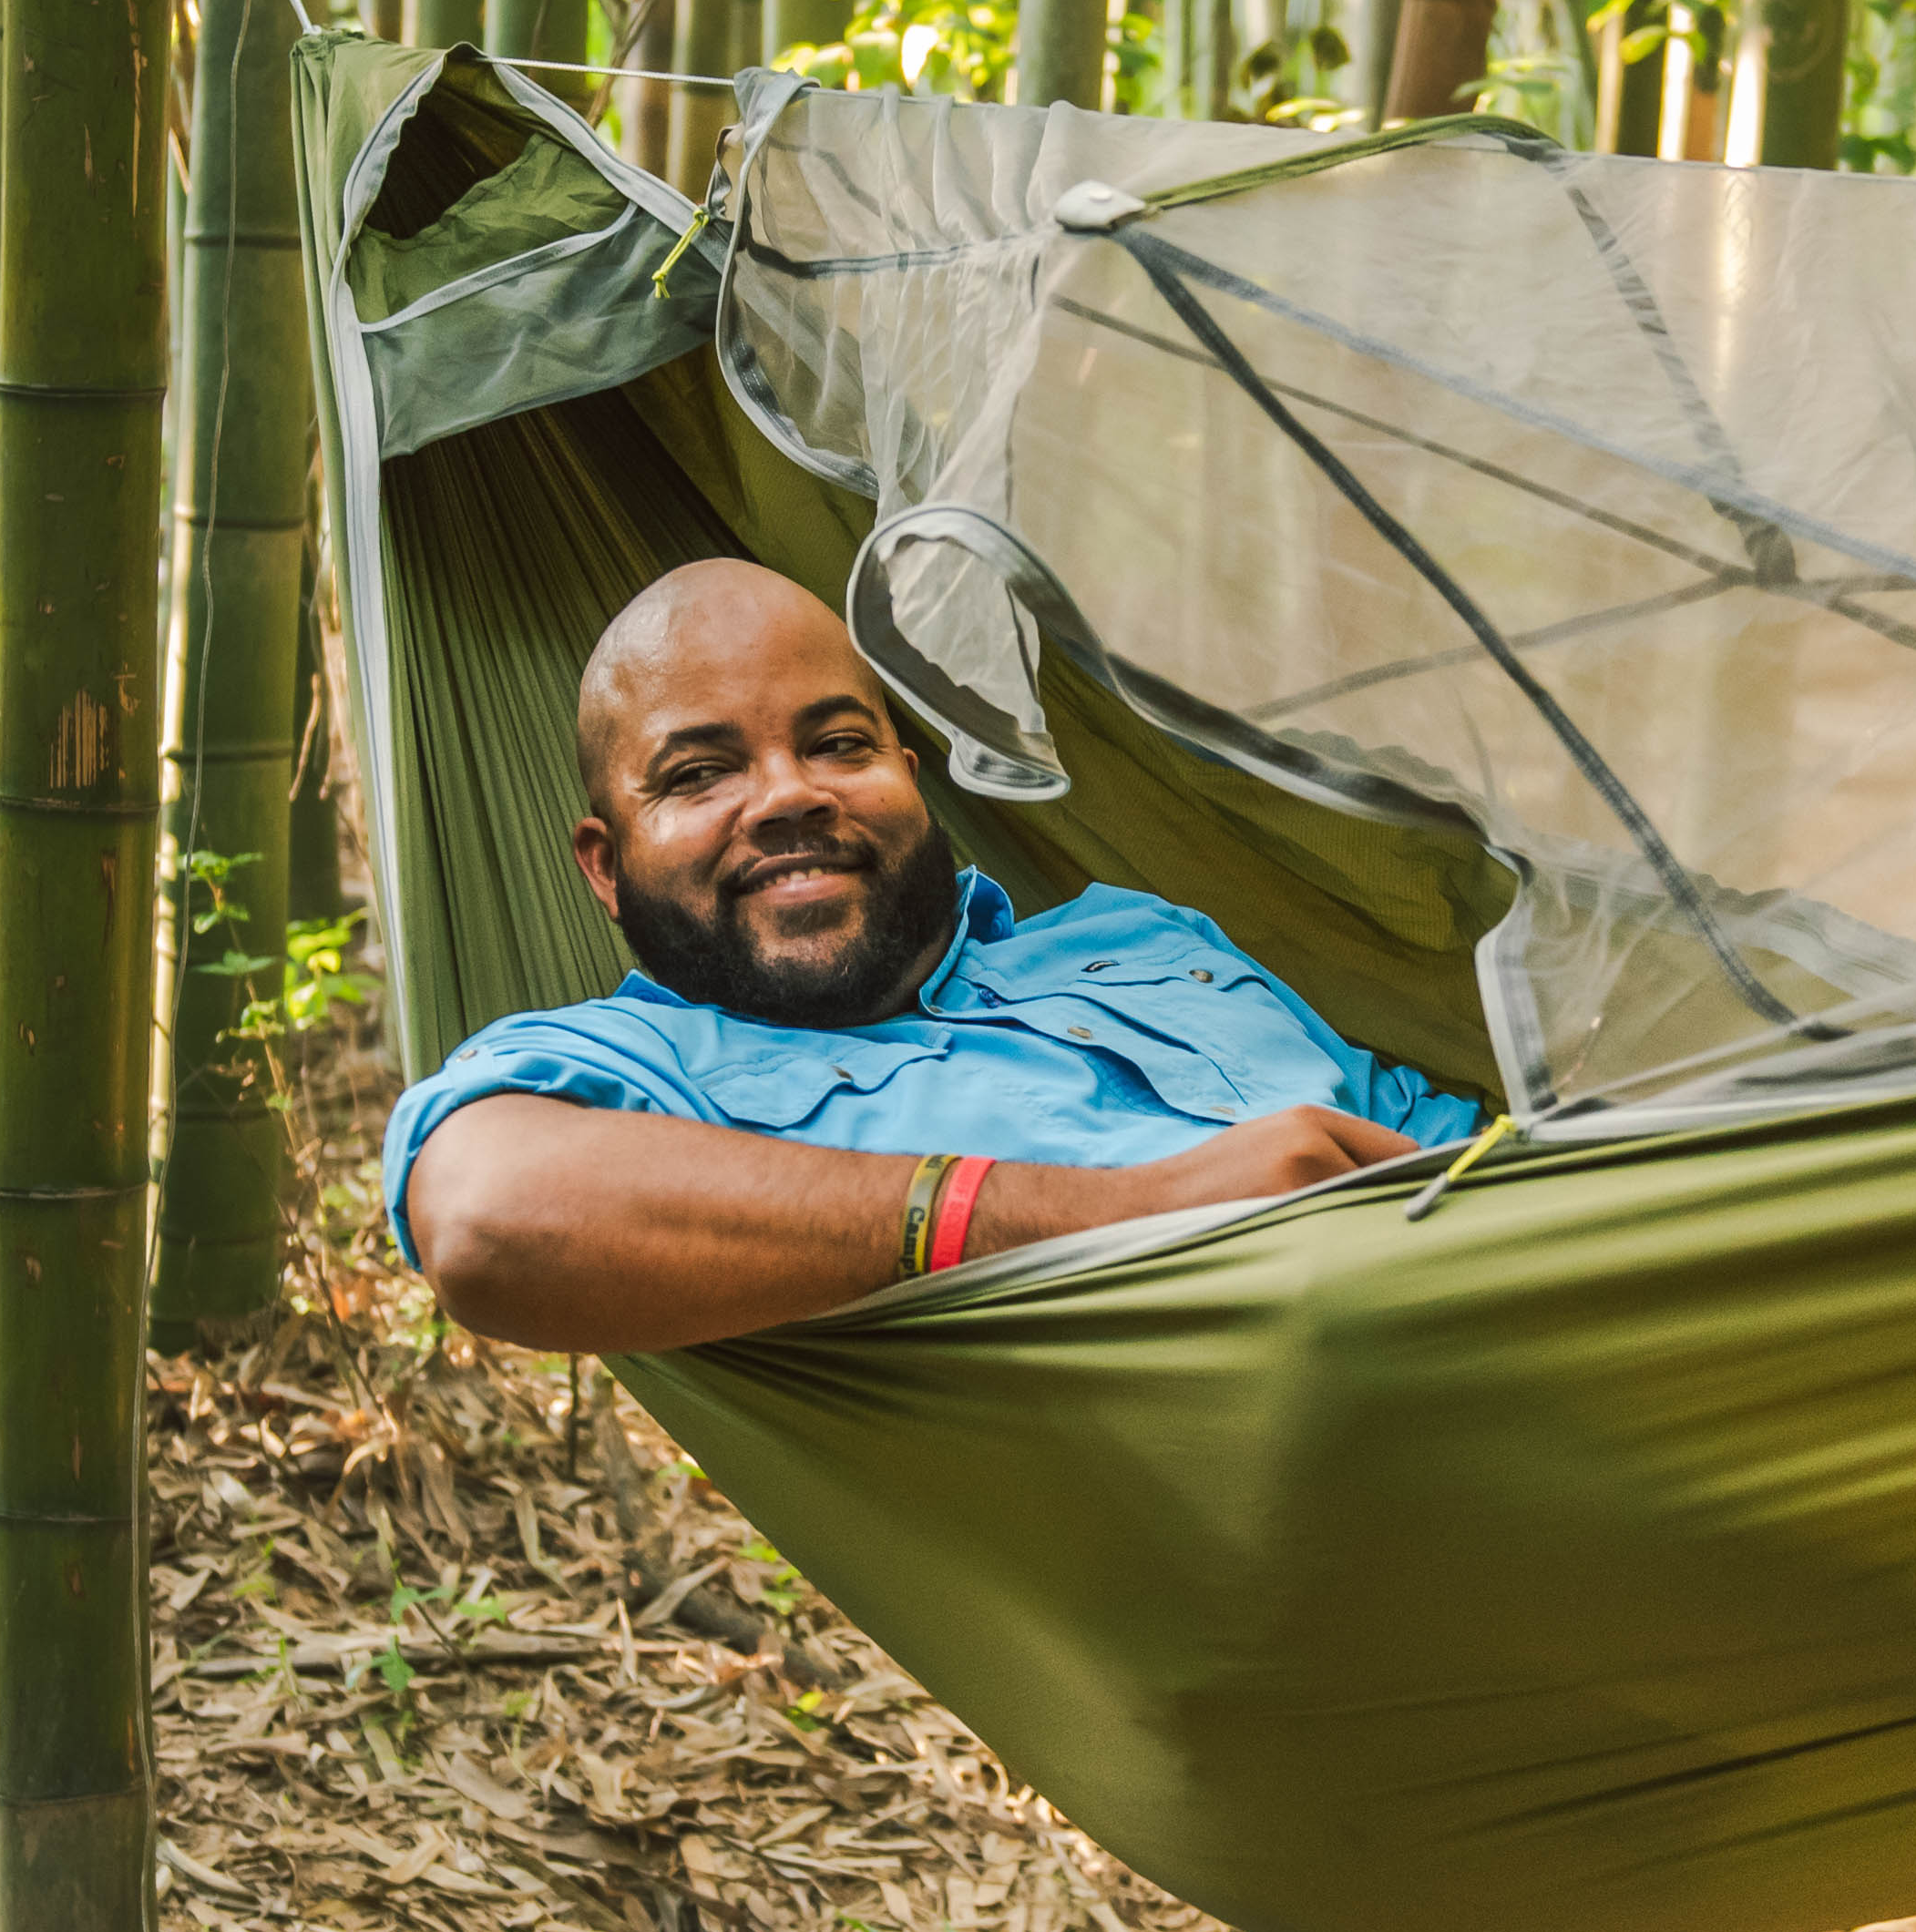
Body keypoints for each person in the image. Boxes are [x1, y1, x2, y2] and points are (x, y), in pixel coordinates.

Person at [388, 561, 1489, 1351]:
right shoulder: (644, 1067)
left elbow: (1467, 1149)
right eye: (697, 773)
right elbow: (491, 1216)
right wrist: (1133, 1208)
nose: (790, 793)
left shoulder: (1144, 936)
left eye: (837, 743)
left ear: (909, 774)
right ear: (604, 864)